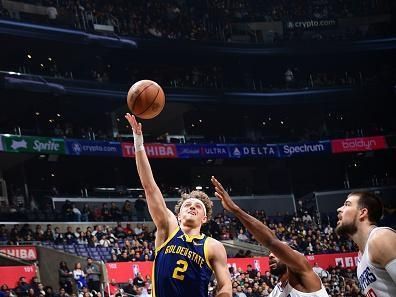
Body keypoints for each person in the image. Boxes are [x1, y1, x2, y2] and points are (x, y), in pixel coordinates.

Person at [125, 114, 231, 297]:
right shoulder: (168, 229)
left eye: (198, 206)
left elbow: (225, 287)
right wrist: (138, 142)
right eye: (187, 205)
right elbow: (150, 187)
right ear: (179, 214)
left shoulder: (213, 246)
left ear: (204, 218)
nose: (192, 207)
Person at [211, 176, 329, 297]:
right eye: (271, 253)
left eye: (277, 253)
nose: (271, 255)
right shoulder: (276, 291)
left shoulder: (302, 268)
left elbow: (271, 241)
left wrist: (235, 209)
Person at [336, 191, 396, 296]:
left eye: (347, 204)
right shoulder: (360, 260)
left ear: (362, 213)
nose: (339, 209)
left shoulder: (381, 238)